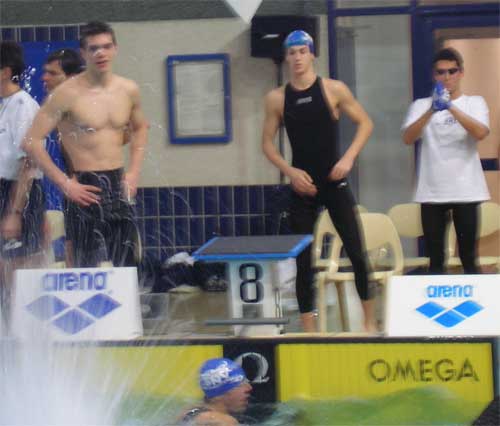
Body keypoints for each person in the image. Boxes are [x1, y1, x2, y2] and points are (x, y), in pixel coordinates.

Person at [262, 30, 375, 332]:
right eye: (292, 53)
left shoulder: (333, 89)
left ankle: (369, 322)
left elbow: (365, 123)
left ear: (312, 54)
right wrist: (290, 172)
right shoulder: (277, 98)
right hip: (303, 187)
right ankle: (309, 330)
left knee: (356, 250)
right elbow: (267, 144)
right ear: (286, 58)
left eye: (302, 51)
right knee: (303, 262)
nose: (297, 58)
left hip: (334, 183)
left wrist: (348, 159)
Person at [23, 21, 149, 267]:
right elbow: (31, 141)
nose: (100, 53)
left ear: (115, 49)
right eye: (93, 48)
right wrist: (65, 183)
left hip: (118, 184)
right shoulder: (65, 94)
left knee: (128, 267)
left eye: (106, 46)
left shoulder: (128, 89)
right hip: (83, 186)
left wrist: (133, 173)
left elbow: (140, 127)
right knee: (84, 269)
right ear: (83, 53)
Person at [402, 47, 490, 274]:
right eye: (441, 72)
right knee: (435, 259)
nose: (447, 77)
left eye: (452, 71)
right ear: (435, 75)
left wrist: (450, 106)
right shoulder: (421, 105)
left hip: (466, 190)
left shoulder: (474, 102)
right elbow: (408, 138)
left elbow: (480, 133)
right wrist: (432, 110)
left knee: (468, 257)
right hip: (432, 191)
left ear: (461, 73)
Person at [0, 41, 45, 313]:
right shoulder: (4, 104)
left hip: (18, 192)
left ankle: (21, 326)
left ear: (5, 71)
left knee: (14, 266)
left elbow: (28, 164)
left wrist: (14, 212)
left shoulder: (23, 105)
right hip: (4, 189)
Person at [42, 48, 84, 266]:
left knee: (90, 255)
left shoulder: (85, 106)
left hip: (92, 186)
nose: (44, 78)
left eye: (52, 73)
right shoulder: (59, 107)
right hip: (75, 188)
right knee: (72, 253)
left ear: (71, 77)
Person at [177, 358, 252, 425]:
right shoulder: (225, 422)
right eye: (240, 385)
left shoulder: (188, 413)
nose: (249, 388)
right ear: (220, 393)